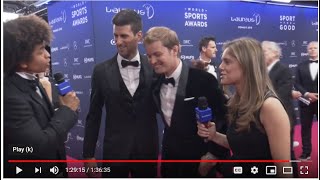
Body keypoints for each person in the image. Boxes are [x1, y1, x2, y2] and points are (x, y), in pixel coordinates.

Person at [198, 37, 292, 177]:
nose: (221, 66)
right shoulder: (237, 102)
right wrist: (214, 136)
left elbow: (284, 169)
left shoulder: (270, 106)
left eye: (227, 62)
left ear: (247, 65)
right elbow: (245, 147)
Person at [143, 26, 229, 177]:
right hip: (170, 160)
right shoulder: (154, 83)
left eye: (157, 54)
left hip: (199, 161)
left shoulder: (204, 79)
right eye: (149, 56)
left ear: (175, 50)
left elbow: (224, 117)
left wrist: (213, 155)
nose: (152, 61)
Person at [83, 9, 158, 177]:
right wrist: (88, 154)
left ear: (139, 36)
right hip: (114, 151)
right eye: (115, 36)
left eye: (124, 36)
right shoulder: (101, 71)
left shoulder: (154, 67)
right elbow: (94, 114)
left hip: (147, 150)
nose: (118, 41)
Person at [4, 15, 80, 177]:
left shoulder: (33, 81)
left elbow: (51, 123)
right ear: (23, 61)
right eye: (41, 51)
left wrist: (69, 107)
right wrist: (66, 110)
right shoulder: (9, 96)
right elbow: (38, 147)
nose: (48, 55)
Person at [261, 40, 298, 177]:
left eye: (264, 52)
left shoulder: (284, 70)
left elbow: (281, 95)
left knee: (286, 155)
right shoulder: (262, 71)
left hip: (283, 119)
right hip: (266, 120)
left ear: (275, 53)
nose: (261, 55)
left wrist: (260, 101)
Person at [294, 41, 318, 160]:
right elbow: (297, 83)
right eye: (310, 48)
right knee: (305, 128)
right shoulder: (300, 66)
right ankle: (306, 152)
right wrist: (307, 94)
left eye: (315, 48)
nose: (312, 50)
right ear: (307, 51)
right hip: (305, 103)